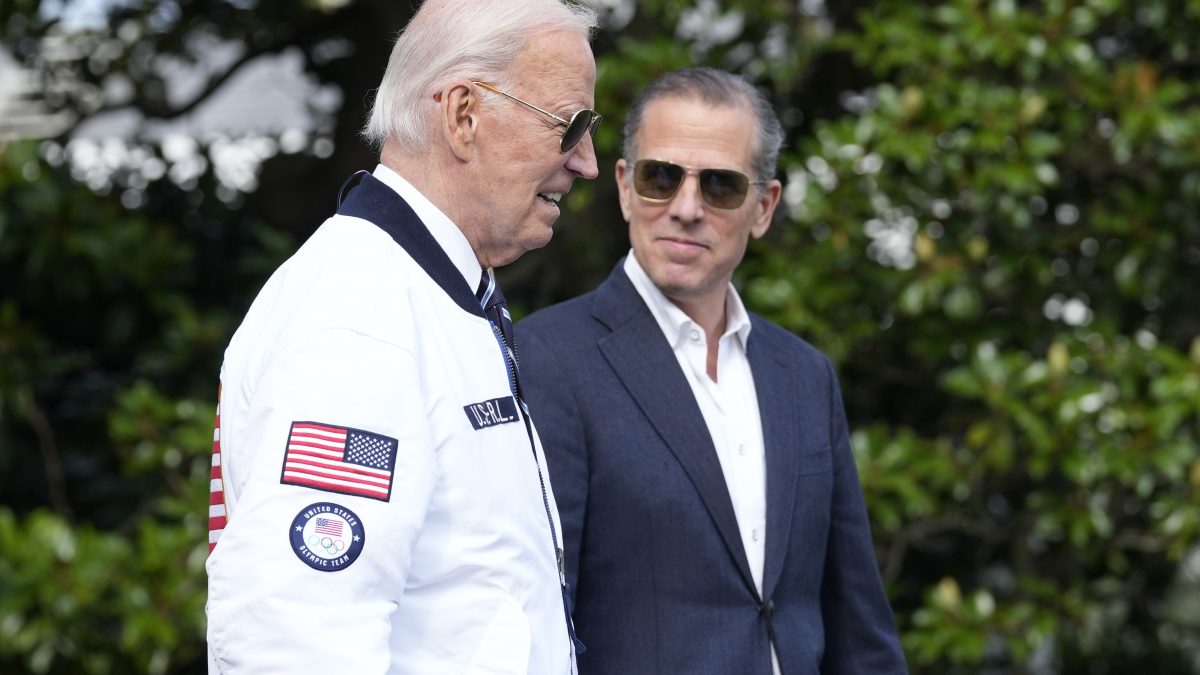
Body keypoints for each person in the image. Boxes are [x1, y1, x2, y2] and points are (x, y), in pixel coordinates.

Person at [204, 0, 601, 672]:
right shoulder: (361, 316)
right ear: (463, 115)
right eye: (570, 126)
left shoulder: (427, 291)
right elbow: (297, 639)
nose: (586, 162)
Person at [516, 67, 907, 674]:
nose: (686, 209)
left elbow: (855, 617)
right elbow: (535, 613)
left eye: (721, 186)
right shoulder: (548, 358)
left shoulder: (804, 375)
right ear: (624, 187)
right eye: (661, 177)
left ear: (764, 206)